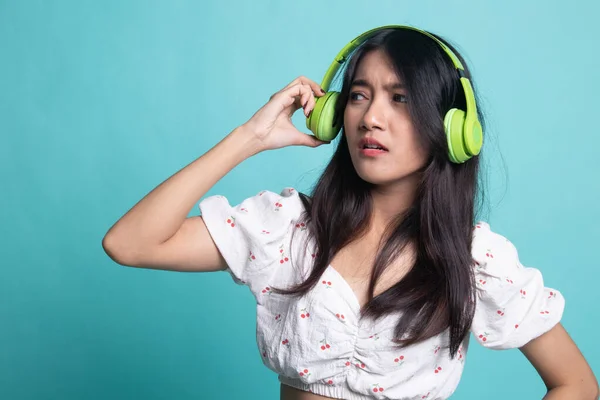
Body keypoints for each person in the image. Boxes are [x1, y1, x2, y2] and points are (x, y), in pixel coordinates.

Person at [102, 26, 598, 400]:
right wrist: (251, 137)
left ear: (450, 128)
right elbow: (130, 244)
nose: (371, 117)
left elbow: (576, 383)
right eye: (359, 95)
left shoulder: (474, 260)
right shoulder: (286, 230)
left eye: (400, 99)